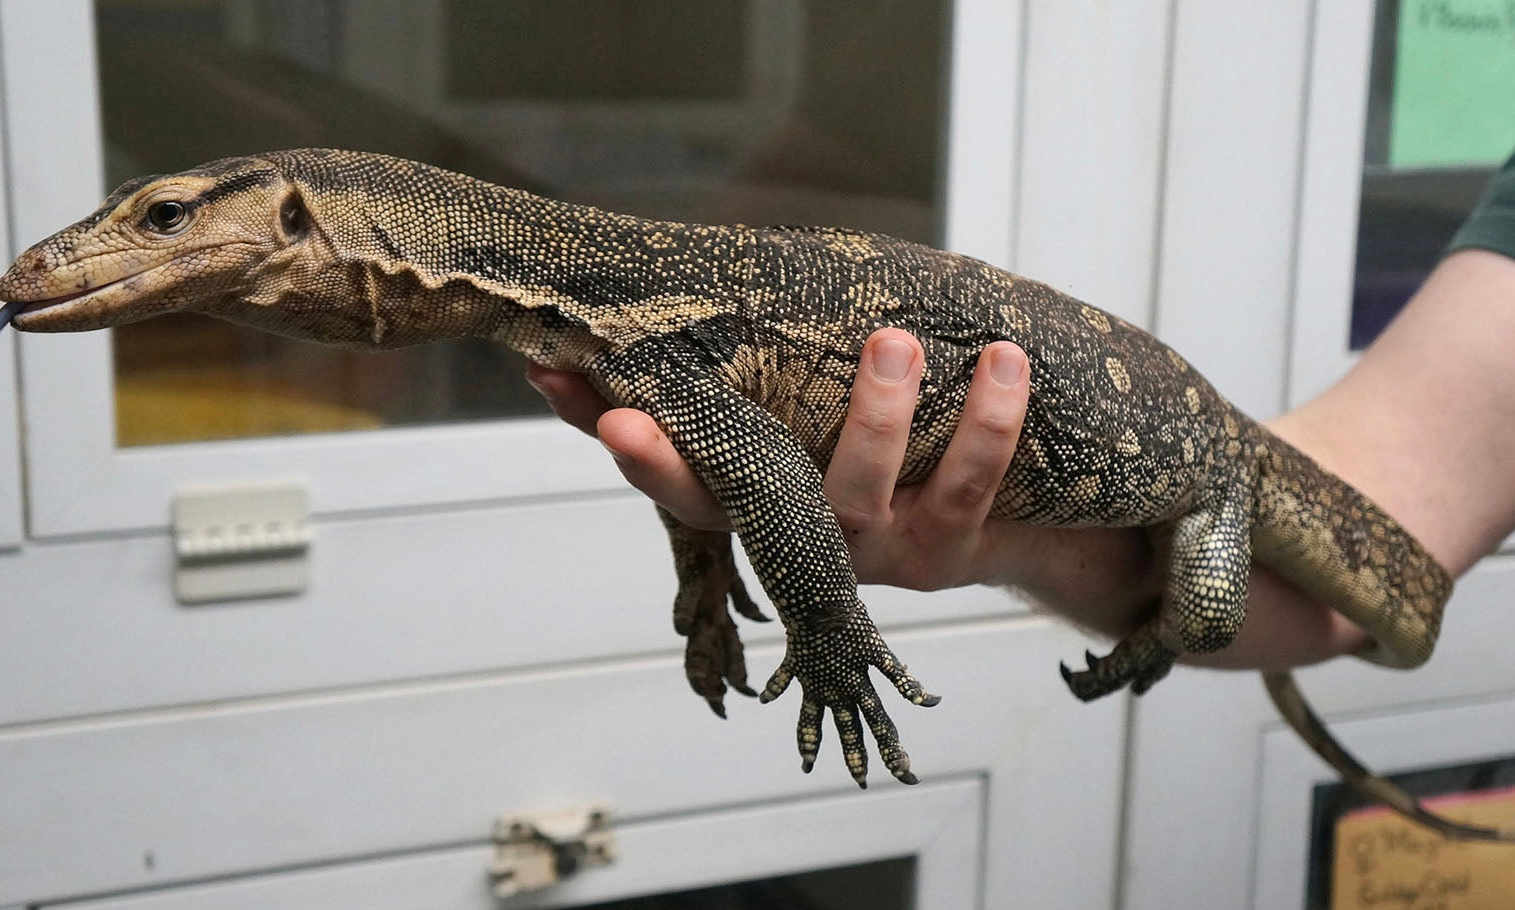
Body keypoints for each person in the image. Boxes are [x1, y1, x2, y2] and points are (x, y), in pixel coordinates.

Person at [525, 154, 1515, 670]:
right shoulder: (641, 338)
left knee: (1201, 614)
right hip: (1204, 479)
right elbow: (1390, 498)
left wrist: (1160, 626)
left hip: (1213, 477)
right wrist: (1004, 544)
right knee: (1200, 609)